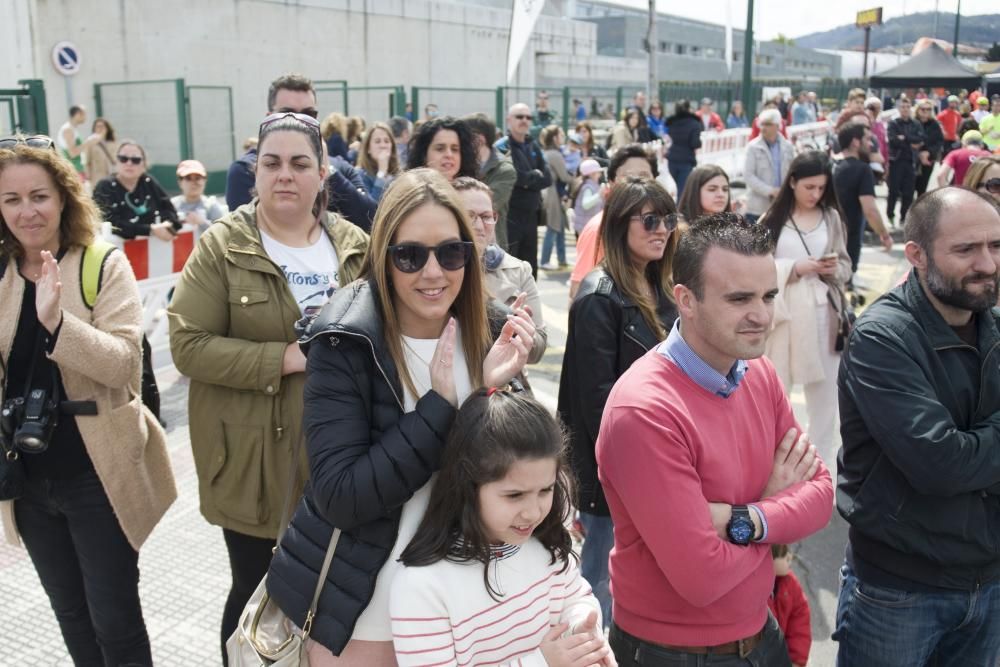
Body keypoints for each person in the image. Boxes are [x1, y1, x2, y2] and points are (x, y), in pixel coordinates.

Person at [265, 168, 536, 665]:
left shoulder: (489, 328)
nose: (433, 273)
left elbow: (521, 470)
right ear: (383, 259)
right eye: (410, 255)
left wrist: (493, 391)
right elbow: (342, 496)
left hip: (473, 603)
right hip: (369, 611)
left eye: (450, 252)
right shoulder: (344, 338)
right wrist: (447, 404)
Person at [167, 111, 370, 663]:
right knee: (258, 590)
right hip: (252, 460)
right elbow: (189, 344)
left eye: (300, 163)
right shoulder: (222, 246)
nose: (286, 175)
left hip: (340, 455)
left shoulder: (354, 244)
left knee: (335, 590)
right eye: (272, 163)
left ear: (322, 174)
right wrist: (285, 357)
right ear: (254, 172)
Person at [597, 213, 833, 666]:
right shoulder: (645, 412)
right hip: (672, 653)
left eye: (768, 295)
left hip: (761, 634)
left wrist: (740, 519)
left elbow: (821, 496)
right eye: (739, 298)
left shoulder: (756, 371)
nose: (762, 315)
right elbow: (701, 579)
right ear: (685, 299)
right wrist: (776, 509)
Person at [0, 136, 176, 665]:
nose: (27, 212)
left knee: (115, 622)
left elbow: (124, 364)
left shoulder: (102, 263)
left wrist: (57, 322)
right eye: (11, 200)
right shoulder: (2, 272)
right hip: (28, 478)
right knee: (71, 615)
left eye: (39, 196)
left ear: (63, 197)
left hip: (97, 477)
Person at [833, 187, 1000, 665]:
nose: (987, 263)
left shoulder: (993, 323)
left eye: (996, 246)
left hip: (988, 582)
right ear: (917, 255)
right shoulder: (883, 337)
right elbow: (940, 465)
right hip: (899, 590)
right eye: (966, 250)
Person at [390, 389, 614, 667]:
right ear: (468, 487)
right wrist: (542, 663)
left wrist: (581, 632)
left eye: (545, 490)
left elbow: (577, 598)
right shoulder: (422, 586)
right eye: (514, 495)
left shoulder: (545, 546)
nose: (533, 512)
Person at [559, 178, 681, 628]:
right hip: (614, 469)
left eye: (668, 218)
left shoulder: (662, 286)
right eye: (650, 219)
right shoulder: (599, 296)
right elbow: (597, 404)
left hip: (662, 457)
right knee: (600, 583)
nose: (662, 229)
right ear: (617, 226)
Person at [760, 152, 853, 469]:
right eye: (809, 187)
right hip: (782, 317)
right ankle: (775, 466)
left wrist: (832, 270)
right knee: (776, 392)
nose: (815, 194)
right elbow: (756, 269)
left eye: (821, 188)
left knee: (825, 396)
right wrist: (794, 268)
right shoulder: (772, 219)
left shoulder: (831, 218)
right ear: (793, 182)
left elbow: (845, 265)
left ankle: (820, 468)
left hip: (824, 312)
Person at [225, 73, 377, 232]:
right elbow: (244, 234)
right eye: (287, 113)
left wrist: (329, 173)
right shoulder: (244, 169)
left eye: (309, 115)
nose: (299, 121)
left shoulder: (337, 166)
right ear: (269, 117)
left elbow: (372, 223)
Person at [453, 177, 547, 362]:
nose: (479, 226)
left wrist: (512, 324)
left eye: (486, 217)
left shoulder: (517, 269)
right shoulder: (436, 270)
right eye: (469, 216)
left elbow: (538, 350)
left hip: (501, 385)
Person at [569, 145, 657, 299]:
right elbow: (579, 292)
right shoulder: (599, 229)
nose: (637, 182)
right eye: (628, 176)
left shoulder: (663, 225)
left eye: (644, 175)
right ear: (611, 181)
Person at [496, 103, 552, 279]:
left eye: (528, 117)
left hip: (531, 215)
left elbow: (547, 178)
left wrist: (527, 179)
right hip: (509, 215)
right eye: (519, 117)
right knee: (509, 264)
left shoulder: (533, 145)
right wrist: (531, 177)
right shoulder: (502, 146)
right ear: (509, 120)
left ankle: (530, 304)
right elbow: (511, 177)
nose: (524, 121)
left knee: (529, 266)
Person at [833, 123, 894, 278]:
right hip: (849, 241)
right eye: (867, 139)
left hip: (826, 237)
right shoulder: (862, 169)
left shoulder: (829, 166)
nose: (871, 143)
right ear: (855, 142)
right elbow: (870, 210)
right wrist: (884, 234)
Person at [92, 140, 181, 241]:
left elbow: (169, 209)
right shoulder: (105, 186)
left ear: (144, 164)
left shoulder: (148, 182)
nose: (129, 163)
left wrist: (167, 224)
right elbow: (110, 223)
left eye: (135, 160)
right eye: (123, 159)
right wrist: (149, 230)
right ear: (116, 161)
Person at [463, 113, 516, 250]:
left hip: (491, 247)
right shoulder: (460, 164)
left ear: (479, 139)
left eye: (463, 136)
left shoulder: (504, 169)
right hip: (462, 242)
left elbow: (489, 205)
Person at [744, 108, 795, 225]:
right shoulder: (752, 147)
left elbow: (793, 172)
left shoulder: (788, 147)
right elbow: (748, 176)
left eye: (768, 124)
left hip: (782, 206)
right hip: (757, 208)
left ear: (777, 126)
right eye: (761, 124)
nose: (763, 128)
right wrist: (770, 191)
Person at [768, 545, 811, 667]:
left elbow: (799, 623)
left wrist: (796, 659)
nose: (790, 557)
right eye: (783, 554)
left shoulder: (790, 583)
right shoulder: (755, 591)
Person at [885, 96, 925, 226]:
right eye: (903, 107)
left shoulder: (916, 124)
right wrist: (910, 142)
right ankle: (890, 215)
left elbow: (920, 139)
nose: (905, 109)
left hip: (911, 162)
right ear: (898, 108)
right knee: (893, 191)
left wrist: (905, 138)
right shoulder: (893, 123)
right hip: (896, 161)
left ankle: (904, 217)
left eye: (908, 107)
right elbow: (893, 141)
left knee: (908, 192)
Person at [539, 125, 573, 271]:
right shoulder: (555, 154)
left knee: (559, 228)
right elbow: (564, 176)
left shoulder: (547, 152)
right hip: (552, 193)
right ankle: (545, 260)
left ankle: (562, 259)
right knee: (553, 227)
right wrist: (578, 178)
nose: (563, 137)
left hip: (549, 192)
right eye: (561, 135)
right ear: (554, 138)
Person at [406, 116, 478, 182]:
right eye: (440, 149)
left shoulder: (474, 193)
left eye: (454, 149)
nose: (449, 155)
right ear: (424, 155)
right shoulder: (409, 193)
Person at [170, 159, 225, 233]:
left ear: (204, 181)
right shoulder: (172, 206)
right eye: (188, 178)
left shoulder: (211, 205)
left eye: (197, 178)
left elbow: (222, 234)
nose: (194, 183)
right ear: (180, 183)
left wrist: (202, 223)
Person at [665, 99, 702, 199]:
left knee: (678, 187)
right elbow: (695, 143)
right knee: (683, 190)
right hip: (686, 160)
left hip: (672, 159)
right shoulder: (694, 123)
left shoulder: (671, 122)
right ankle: (679, 212)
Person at [355, 122, 400, 203]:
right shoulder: (360, 175)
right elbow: (371, 208)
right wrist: (381, 172)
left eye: (386, 141)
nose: (383, 145)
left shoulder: (398, 175)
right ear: (368, 148)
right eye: (377, 141)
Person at [56, 106, 98, 181]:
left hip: (77, 170)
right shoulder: (68, 129)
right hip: (73, 172)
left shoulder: (72, 128)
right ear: (78, 114)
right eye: (84, 114)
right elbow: (72, 153)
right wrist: (89, 142)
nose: (85, 117)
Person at [914, 99, 945, 197]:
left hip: (928, 159)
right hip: (912, 158)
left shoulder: (935, 124)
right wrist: (919, 152)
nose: (926, 111)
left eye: (928, 109)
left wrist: (928, 152)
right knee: (909, 188)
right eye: (923, 109)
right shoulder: (912, 122)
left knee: (922, 187)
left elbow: (939, 142)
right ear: (918, 110)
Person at [572, 158, 604, 237]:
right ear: (592, 174)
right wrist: (599, 194)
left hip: (588, 225)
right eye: (598, 172)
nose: (600, 174)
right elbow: (586, 205)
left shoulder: (592, 185)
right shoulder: (588, 187)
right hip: (585, 226)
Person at [82, 117, 118, 184]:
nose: (100, 128)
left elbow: (117, 159)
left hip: (112, 174)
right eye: (98, 126)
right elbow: (86, 160)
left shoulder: (113, 143)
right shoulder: (90, 143)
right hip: (96, 175)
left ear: (107, 128)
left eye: (102, 126)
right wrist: (88, 175)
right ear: (94, 129)